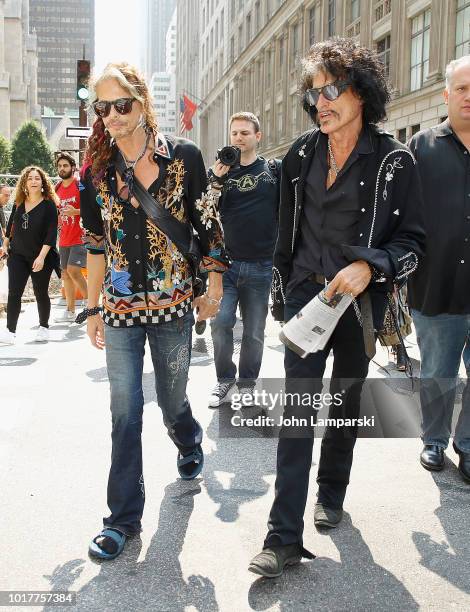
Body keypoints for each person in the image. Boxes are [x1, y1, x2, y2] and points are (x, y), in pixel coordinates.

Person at [248, 38, 425, 578]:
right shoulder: (301, 153)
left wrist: (371, 266)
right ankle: (281, 537)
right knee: (297, 413)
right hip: (306, 296)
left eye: (332, 89)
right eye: (314, 92)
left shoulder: (394, 160)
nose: (320, 102)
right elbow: (285, 230)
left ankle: (331, 490)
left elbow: (414, 245)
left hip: (358, 306)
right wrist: (283, 293)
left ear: (362, 92)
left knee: (345, 401)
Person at [79, 62, 229, 561]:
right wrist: (91, 308)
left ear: (142, 102)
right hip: (119, 309)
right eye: (103, 108)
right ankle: (122, 519)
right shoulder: (95, 170)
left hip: (173, 305)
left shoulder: (183, 157)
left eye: (122, 105)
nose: (113, 116)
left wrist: (214, 283)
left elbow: (207, 224)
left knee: (171, 399)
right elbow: (96, 245)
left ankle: (188, 440)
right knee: (124, 411)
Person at [408, 55, 470, 483]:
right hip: (437, 283)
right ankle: (433, 440)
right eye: (462, 88)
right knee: (437, 371)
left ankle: (467, 445)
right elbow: (404, 216)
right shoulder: (422, 147)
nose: (469, 96)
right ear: (446, 94)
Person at [207, 112, 281, 407]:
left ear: (257, 136)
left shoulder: (273, 171)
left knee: (254, 330)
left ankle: (247, 384)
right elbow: (206, 214)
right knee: (220, 323)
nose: (238, 138)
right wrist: (215, 181)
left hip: (262, 265)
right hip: (226, 265)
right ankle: (224, 380)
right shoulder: (223, 173)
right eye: (234, 133)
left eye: (245, 133)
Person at [0, 166, 59, 345]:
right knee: (14, 293)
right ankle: (10, 331)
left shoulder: (49, 204)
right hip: (17, 255)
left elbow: (51, 233)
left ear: (43, 183)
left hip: (41, 256)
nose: (33, 181)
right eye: (30, 178)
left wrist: (41, 257)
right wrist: (5, 246)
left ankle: (43, 327)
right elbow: (10, 228)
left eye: (37, 178)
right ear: (25, 183)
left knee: (41, 292)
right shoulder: (19, 202)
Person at [54, 152, 88, 323]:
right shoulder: (57, 188)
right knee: (66, 274)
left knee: (74, 270)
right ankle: (70, 311)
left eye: (65, 165)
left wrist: (76, 212)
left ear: (73, 168)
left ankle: (91, 305)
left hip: (80, 236)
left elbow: (92, 209)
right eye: (60, 166)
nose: (62, 168)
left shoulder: (80, 185)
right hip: (64, 237)